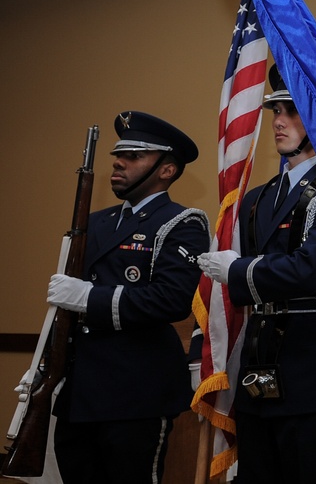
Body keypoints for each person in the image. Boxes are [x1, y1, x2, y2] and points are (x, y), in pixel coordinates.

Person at [197, 65, 316, 484]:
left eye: (292, 111)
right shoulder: (256, 198)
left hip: (315, 365)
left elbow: (312, 269)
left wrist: (239, 271)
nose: (278, 120)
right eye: (275, 109)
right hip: (258, 362)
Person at [44, 111, 209, 483]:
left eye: (134, 156)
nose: (119, 162)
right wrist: (44, 362)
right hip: (81, 388)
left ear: (167, 170)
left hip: (136, 389)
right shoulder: (95, 221)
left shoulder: (182, 223)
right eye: (119, 155)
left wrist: (91, 299)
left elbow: (171, 299)